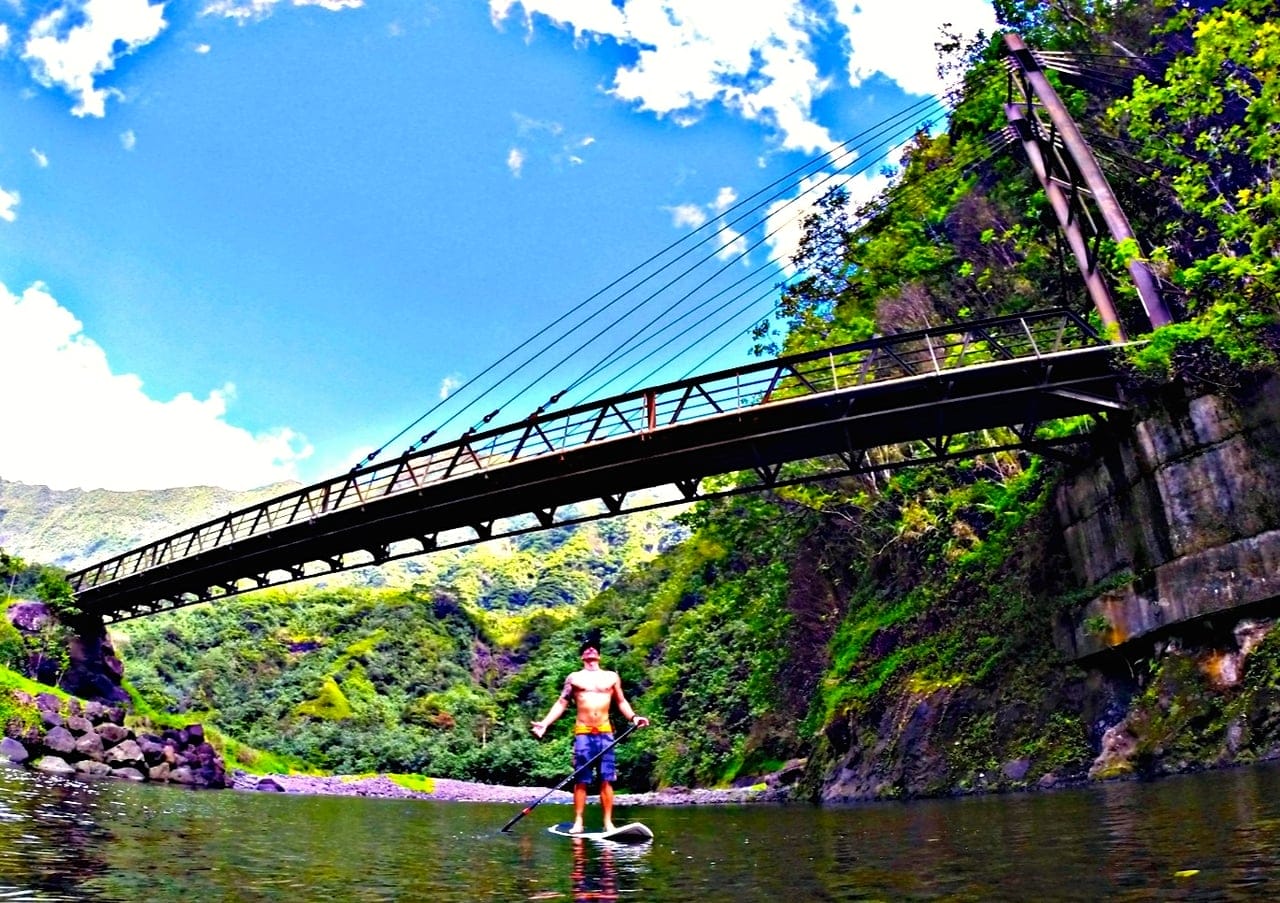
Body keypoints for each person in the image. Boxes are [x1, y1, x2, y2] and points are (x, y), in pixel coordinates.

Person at [530, 643, 649, 833]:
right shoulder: (574, 678)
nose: (591, 649)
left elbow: (621, 701)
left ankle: (608, 823)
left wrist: (634, 717)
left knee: (606, 779)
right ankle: (578, 822)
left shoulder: (611, 677)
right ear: (582, 656)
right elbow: (562, 702)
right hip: (583, 732)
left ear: (599, 655)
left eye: (594, 648)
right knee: (581, 779)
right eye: (586, 648)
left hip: (605, 733)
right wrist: (545, 723)